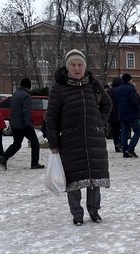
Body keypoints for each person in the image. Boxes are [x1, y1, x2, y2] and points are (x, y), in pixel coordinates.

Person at [45, 49, 112, 226]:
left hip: (93, 139)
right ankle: (77, 214)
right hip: (70, 141)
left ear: (85, 66)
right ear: (67, 68)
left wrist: (99, 122)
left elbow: (107, 104)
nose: (77, 68)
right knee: (74, 180)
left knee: (93, 178)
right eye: (73, 65)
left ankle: (94, 211)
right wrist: (54, 142)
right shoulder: (58, 89)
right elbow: (51, 117)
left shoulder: (93, 84)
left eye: (80, 64)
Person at [0, 78, 44, 170]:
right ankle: (34, 163)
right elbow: (26, 111)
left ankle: (4, 158)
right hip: (24, 124)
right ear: (28, 86)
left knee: (16, 144)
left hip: (15, 124)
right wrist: (29, 124)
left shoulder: (15, 95)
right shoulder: (26, 96)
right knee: (35, 143)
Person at [114, 73, 140, 158]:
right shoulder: (131, 89)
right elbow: (134, 101)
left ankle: (125, 150)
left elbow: (116, 102)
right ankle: (131, 148)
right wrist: (138, 111)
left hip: (122, 113)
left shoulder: (118, 89)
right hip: (131, 114)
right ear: (129, 80)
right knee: (137, 131)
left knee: (124, 132)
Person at [106, 77, 123, 153]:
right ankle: (122, 144)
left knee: (115, 131)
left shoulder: (109, 91)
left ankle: (117, 145)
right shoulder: (121, 90)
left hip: (112, 114)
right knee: (123, 130)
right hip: (121, 113)